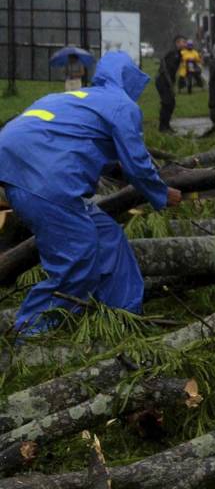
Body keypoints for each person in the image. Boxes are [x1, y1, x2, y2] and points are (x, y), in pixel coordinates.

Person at [0, 52, 182, 334]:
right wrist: (161, 193)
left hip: (15, 170)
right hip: (46, 178)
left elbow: (79, 141)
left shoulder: (71, 98)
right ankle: (31, 335)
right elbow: (138, 165)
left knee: (107, 236)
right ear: (129, 80)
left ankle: (122, 316)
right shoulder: (121, 105)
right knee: (78, 255)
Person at [155, 35, 186, 132]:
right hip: (163, 81)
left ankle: (166, 125)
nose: (184, 44)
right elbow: (166, 70)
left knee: (171, 103)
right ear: (177, 43)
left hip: (168, 81)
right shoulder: (173, 54)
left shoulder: (178, 53)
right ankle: (162, 127)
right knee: (167, 103)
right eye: (183, 42)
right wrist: (170, 85)